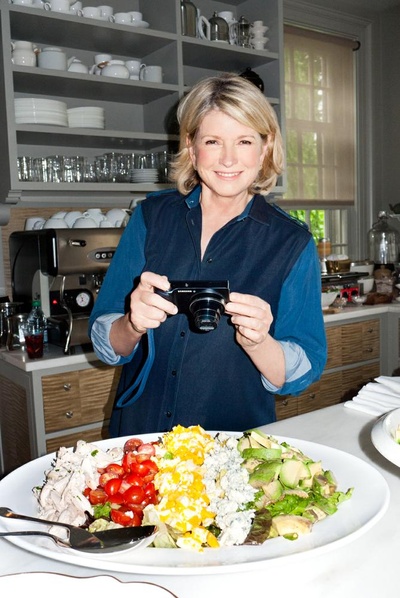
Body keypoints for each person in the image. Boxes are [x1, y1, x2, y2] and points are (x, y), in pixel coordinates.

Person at [89, 72, 327, 437]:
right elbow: (107, 344)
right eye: (213, 141)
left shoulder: (292, 242)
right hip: (141, 437)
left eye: (244, 141)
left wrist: (260, 343)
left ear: (265, 148)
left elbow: (302, 370)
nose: (228, 159)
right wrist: (132, 324)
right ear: (191, 146)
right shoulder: (150, 217)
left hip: (231, 445)